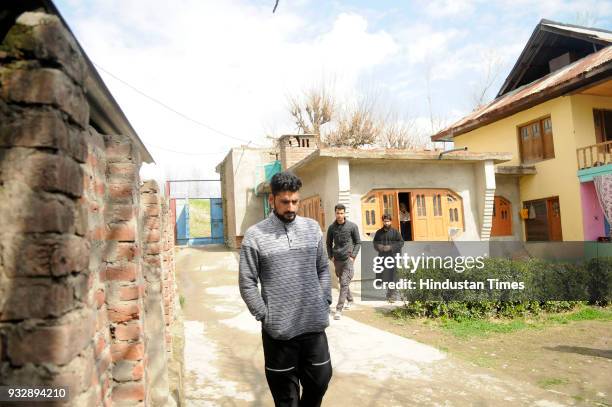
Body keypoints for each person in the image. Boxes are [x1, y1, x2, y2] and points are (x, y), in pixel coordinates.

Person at [239, 171, 332, 407]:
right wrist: (265, 315)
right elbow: (247, 280)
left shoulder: (312, 229)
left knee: (320, 382)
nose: (291, 207)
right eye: (285, 202)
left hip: (313, 325)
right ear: (272, 201)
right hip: (279, 333)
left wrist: (324, 300)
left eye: (295, 201)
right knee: (286, 399)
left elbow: (323, 268)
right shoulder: (255, 236)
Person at [326, 204, 361, 320]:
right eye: (337, 213)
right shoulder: (331, 228)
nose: (339, 215)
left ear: (344, 213)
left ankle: (338, 310)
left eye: (341, 213)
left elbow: (358, 242)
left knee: (344, 282)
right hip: (337, 260)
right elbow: (328, 244)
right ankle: (350, 299)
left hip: (348, 259)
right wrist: (331, 256)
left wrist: (353, 256)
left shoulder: (352, 226)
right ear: (335, 213)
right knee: (342, 281)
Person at [373, 214, 404, 302]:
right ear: (382, 221)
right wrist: (379, 247)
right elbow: (375, 243)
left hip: (394, 257)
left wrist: (390, 247)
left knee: (393, 275)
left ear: (391, 221)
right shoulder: (379, 232)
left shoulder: (395, 232)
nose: (386, 223)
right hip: (383, 257)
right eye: (385, 221)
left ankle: (393, 294)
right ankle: (389, 293)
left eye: (388, 221)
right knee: (385, 275)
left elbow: (401, 243)